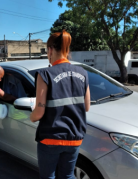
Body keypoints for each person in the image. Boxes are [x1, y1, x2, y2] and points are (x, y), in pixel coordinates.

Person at [30, 30, 90, 179]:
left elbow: (38, 113)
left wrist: (32, 116)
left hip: (51, 137)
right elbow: (86, 107)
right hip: (74, 137)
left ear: (50, 50)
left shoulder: (45, 74)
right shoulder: (83, 73)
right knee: (68, 176)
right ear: (67, 49)